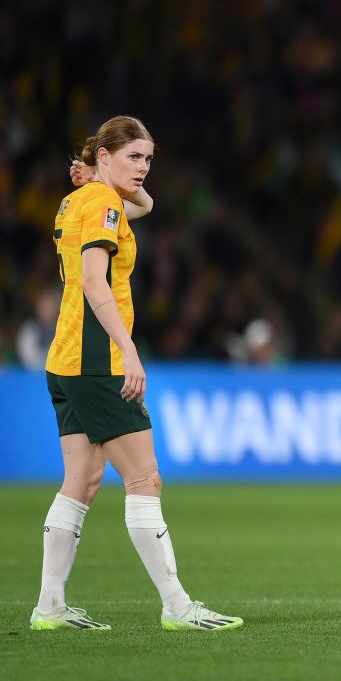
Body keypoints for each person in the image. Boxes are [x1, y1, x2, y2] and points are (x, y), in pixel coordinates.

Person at [33, 116, 242, 632]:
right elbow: (94, 282)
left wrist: (101, 176)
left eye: (149, 159)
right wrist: (128, 350)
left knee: (81, 480)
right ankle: (177, 606)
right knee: (144, 478)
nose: (144, 167)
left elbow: (144, 206)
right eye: (133, 157)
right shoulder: (102, 202)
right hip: (97, 359)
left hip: (65, 360)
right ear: (103, 156)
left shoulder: (77, 200)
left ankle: (49, 608)